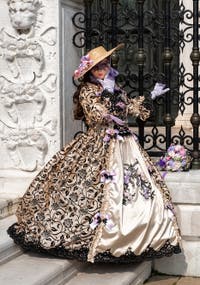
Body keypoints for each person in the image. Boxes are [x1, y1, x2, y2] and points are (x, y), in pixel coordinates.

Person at [7, 44, 181, 263]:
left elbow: (132, 110)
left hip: (125, 145)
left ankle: (134, 236)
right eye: (97, 67)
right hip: (98, 144)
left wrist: (150, 97)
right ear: (89, 71)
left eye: (105, 65)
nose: (102, 70)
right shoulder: (87, 90)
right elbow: (98, 116)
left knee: (136, 191)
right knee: (88, 190)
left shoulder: (115, 88)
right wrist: (107, 93)